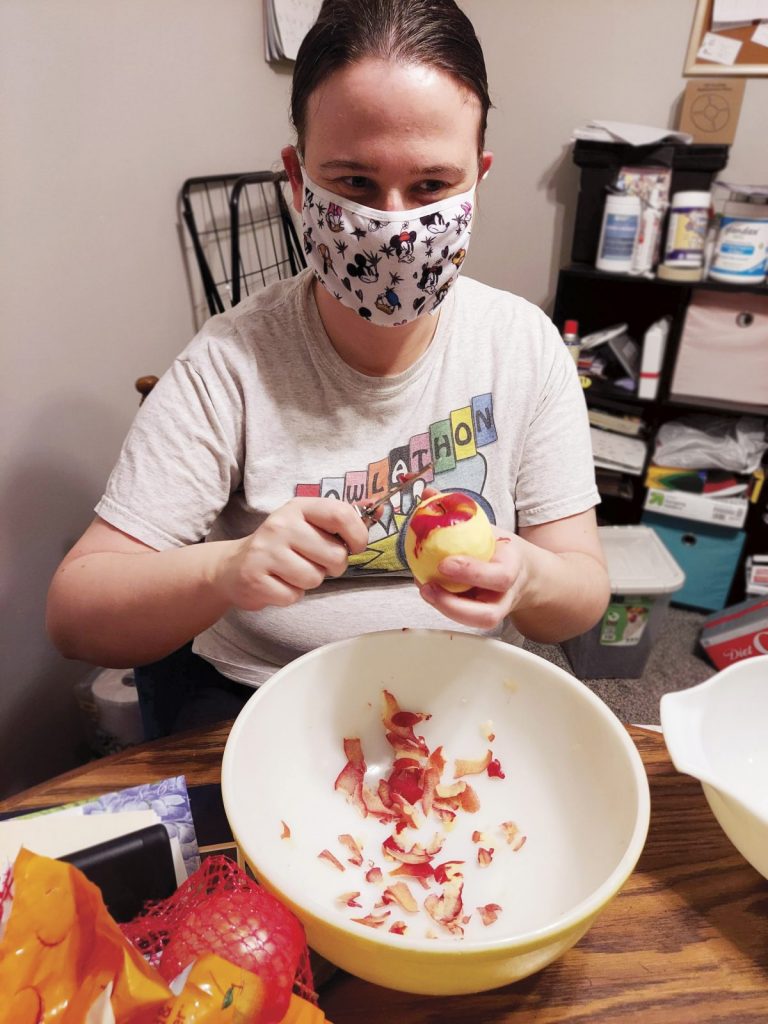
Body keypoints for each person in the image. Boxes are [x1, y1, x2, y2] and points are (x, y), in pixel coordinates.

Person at [47, 0, 610, 734]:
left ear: (479, 179)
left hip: (457, 693)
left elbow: (584, 590)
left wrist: (527, 575)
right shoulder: (229, 362)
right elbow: (75, 615)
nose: (397, 225)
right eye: (354, 184)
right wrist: (226, 569)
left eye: (433, 187)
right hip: (259, 699)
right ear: (297, 179)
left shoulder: (524, 347)